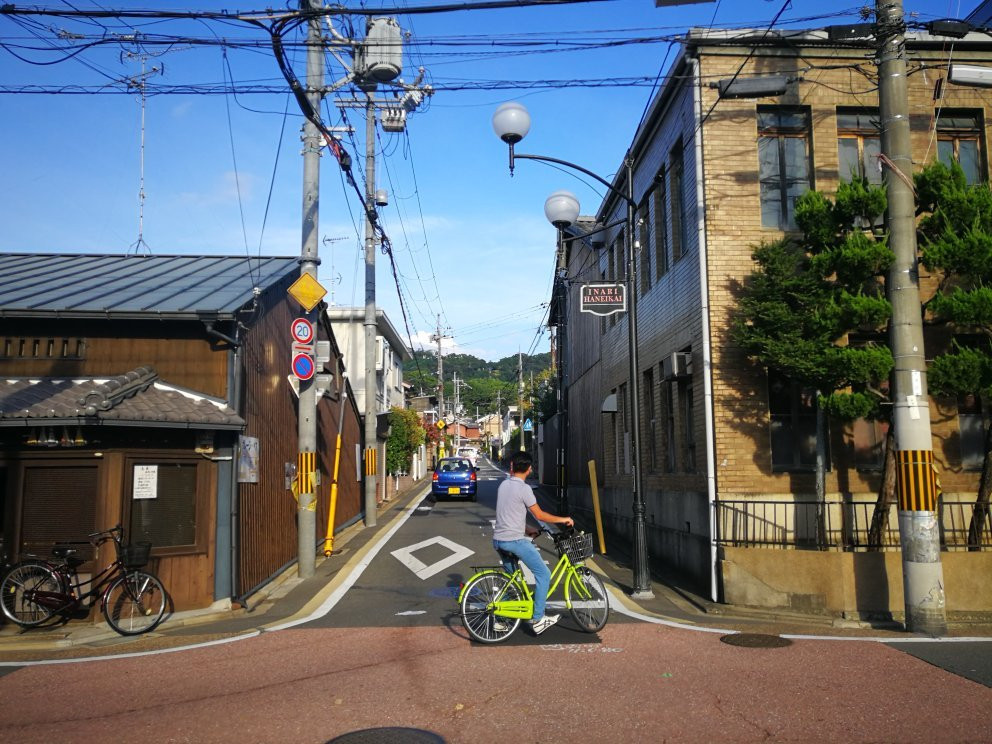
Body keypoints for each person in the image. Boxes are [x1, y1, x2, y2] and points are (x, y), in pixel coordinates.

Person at [493, 450, 574, 635]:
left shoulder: (503, 486)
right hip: (514, 541)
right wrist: (563, 520)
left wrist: (529, 530)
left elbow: (509, 515)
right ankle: (538, 619)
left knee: (511, 582)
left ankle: (500, 621)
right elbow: (539, 515)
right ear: (529, 469)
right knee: (544, 574)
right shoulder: (524, 489)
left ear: (512, 466)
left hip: (499, 540)